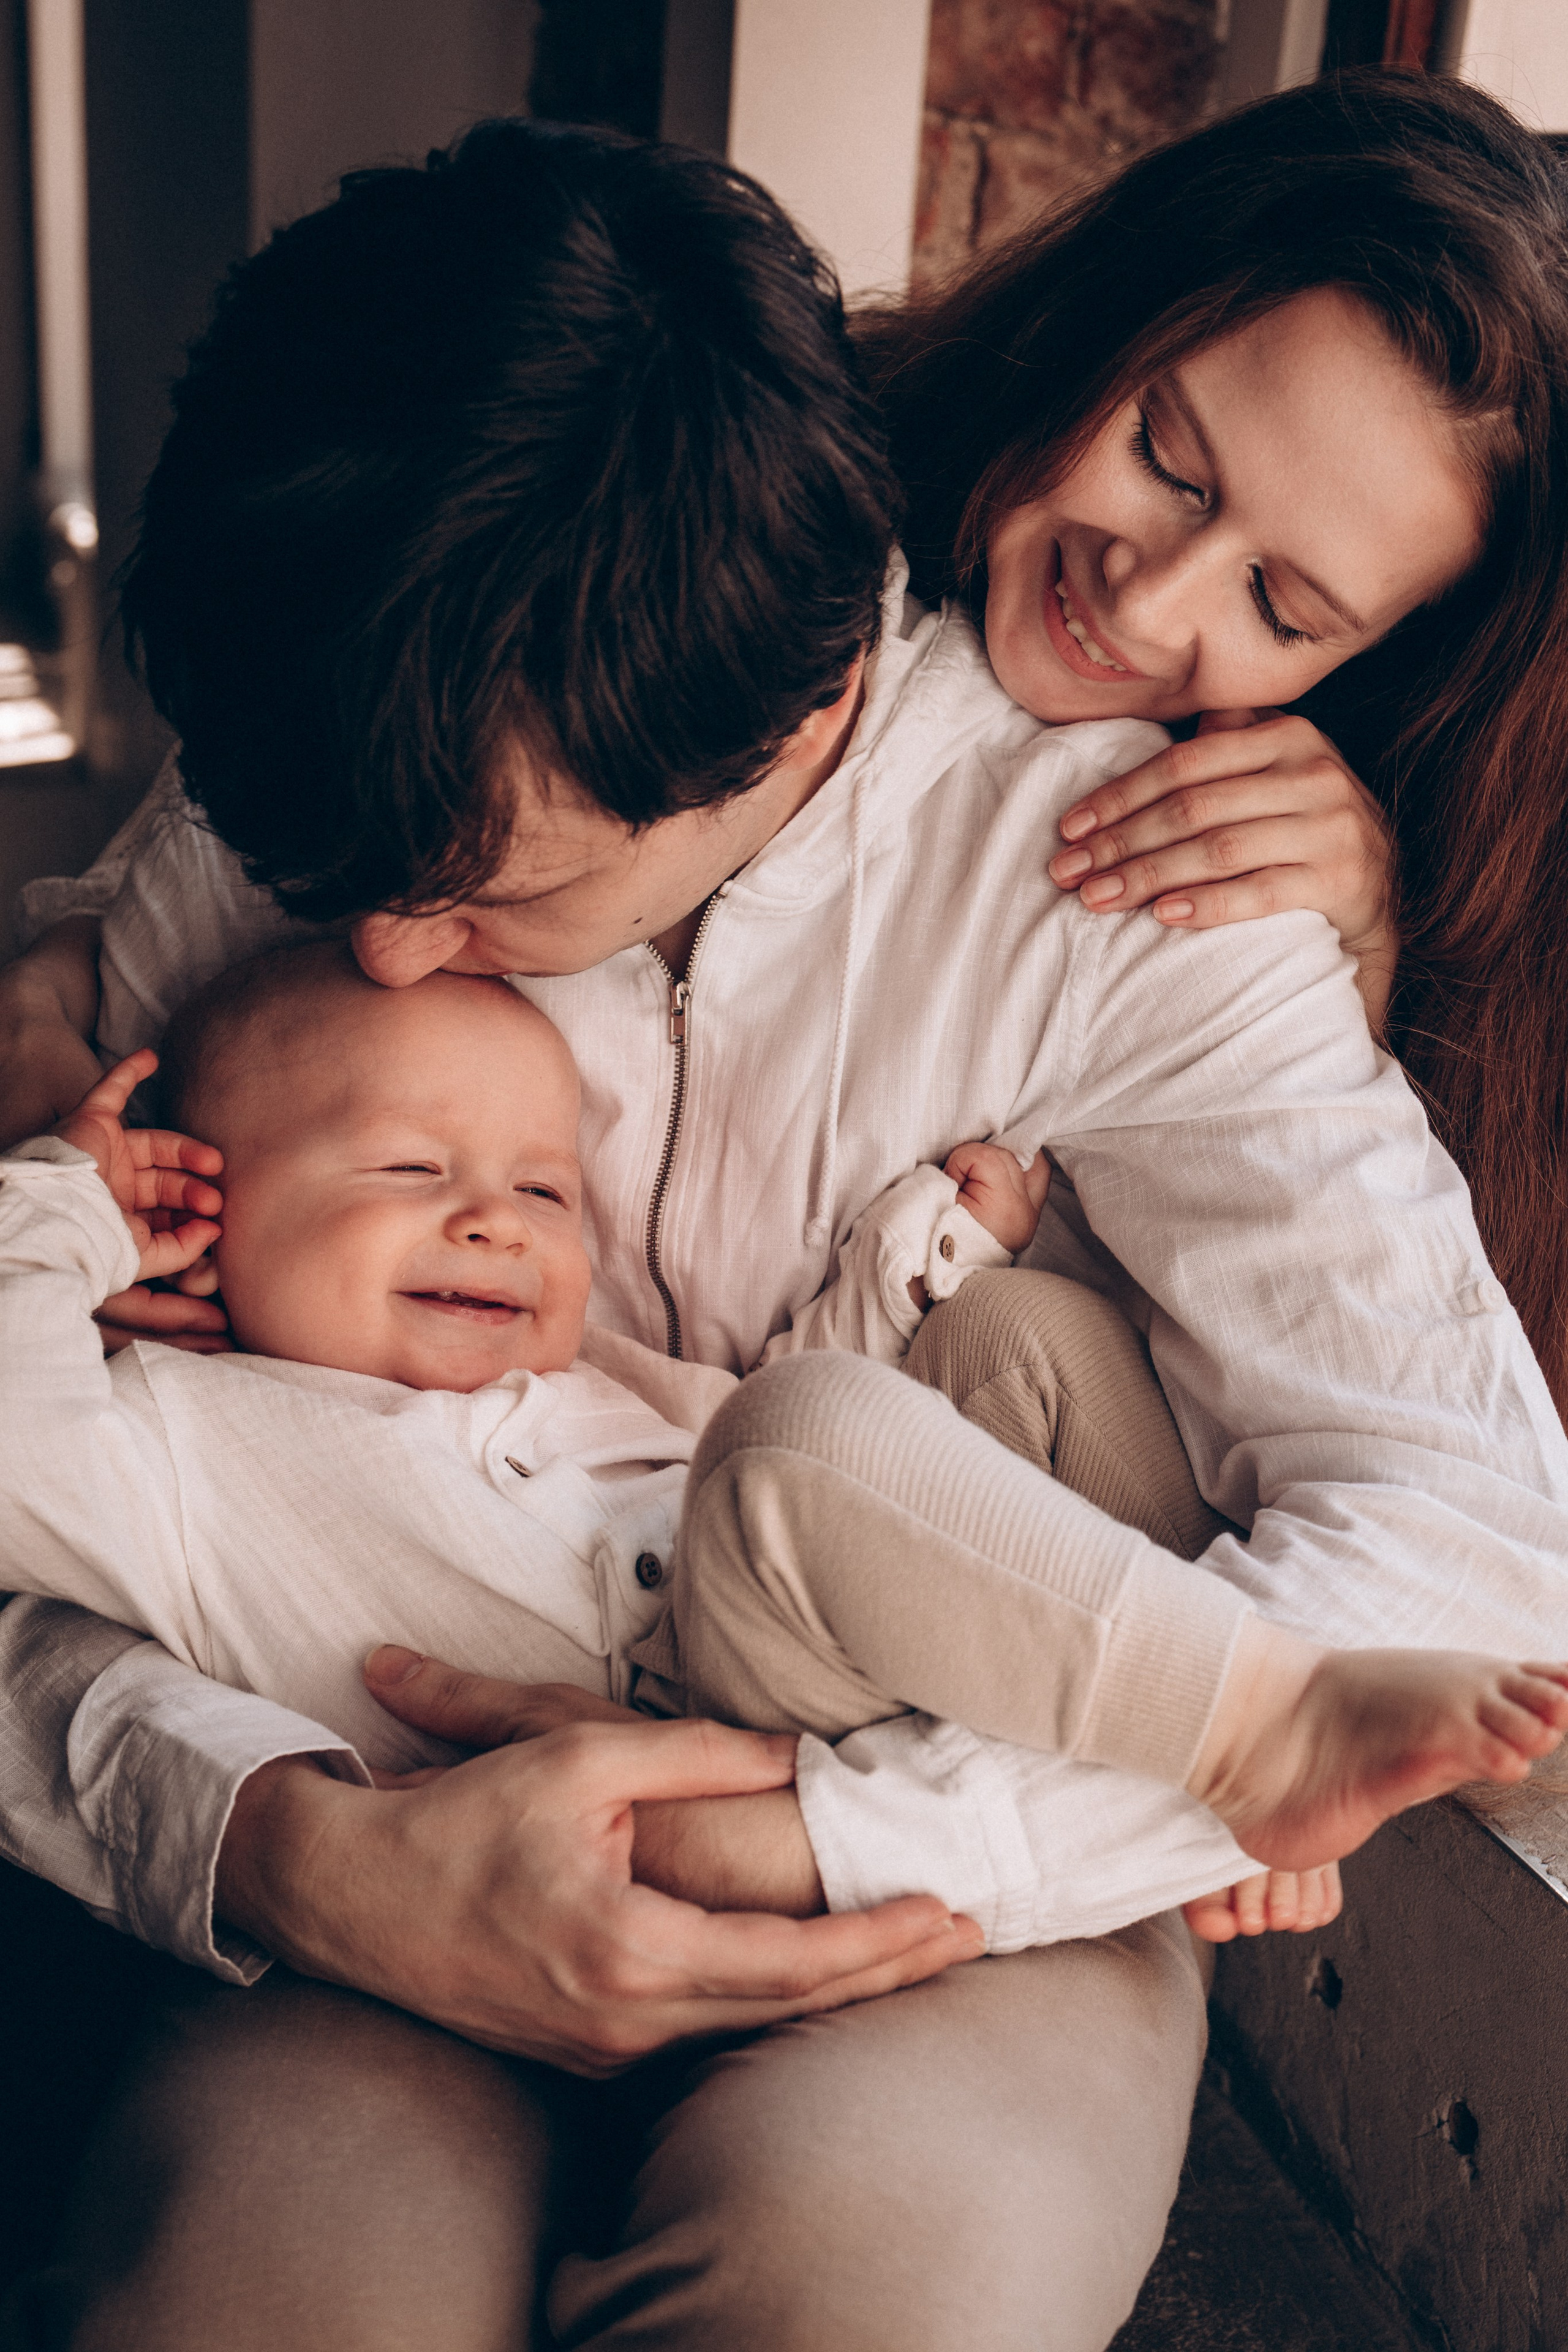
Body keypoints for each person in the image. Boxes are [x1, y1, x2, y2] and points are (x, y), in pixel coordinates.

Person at [0, 79, 1564, 2352]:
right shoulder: (380, 707)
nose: (394, 953)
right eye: (1174, 460)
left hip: (943, 1824)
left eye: (1290, 601)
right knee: (266, 2290)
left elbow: (1477, 1542)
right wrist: (275, 1839)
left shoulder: (1151, 886)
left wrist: (857, 1836)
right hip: (377, 1749)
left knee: (874, 2289)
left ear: (800, 702)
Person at [8, 948, 1562, 1942]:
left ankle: (1197, 1744)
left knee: (1014, 1344)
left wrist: (928, 1253)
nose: (490, 1218)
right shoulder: (171, 1447)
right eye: (409, 1169)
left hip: (833, 1667)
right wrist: (72, 1209)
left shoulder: (595, 1381)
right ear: (198, 1208)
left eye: (545, 1194)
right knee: (798, 1435)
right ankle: (1248, 1735)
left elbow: (812, 1477)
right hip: (673, 1745)